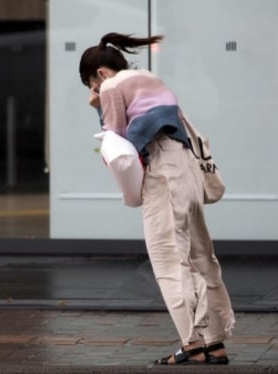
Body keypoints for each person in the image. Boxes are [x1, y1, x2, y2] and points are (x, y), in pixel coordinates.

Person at [79, 32, 235, 365]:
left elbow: (118, 138)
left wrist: (98, 106)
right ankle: (215, 342)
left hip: (162, 171)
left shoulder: (110, 87)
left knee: (168, 257)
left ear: (98, 75)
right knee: (201, 256)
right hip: (188, 169)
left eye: (89, 84)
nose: (93, 90)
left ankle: (192, 344)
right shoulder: (149, 78)